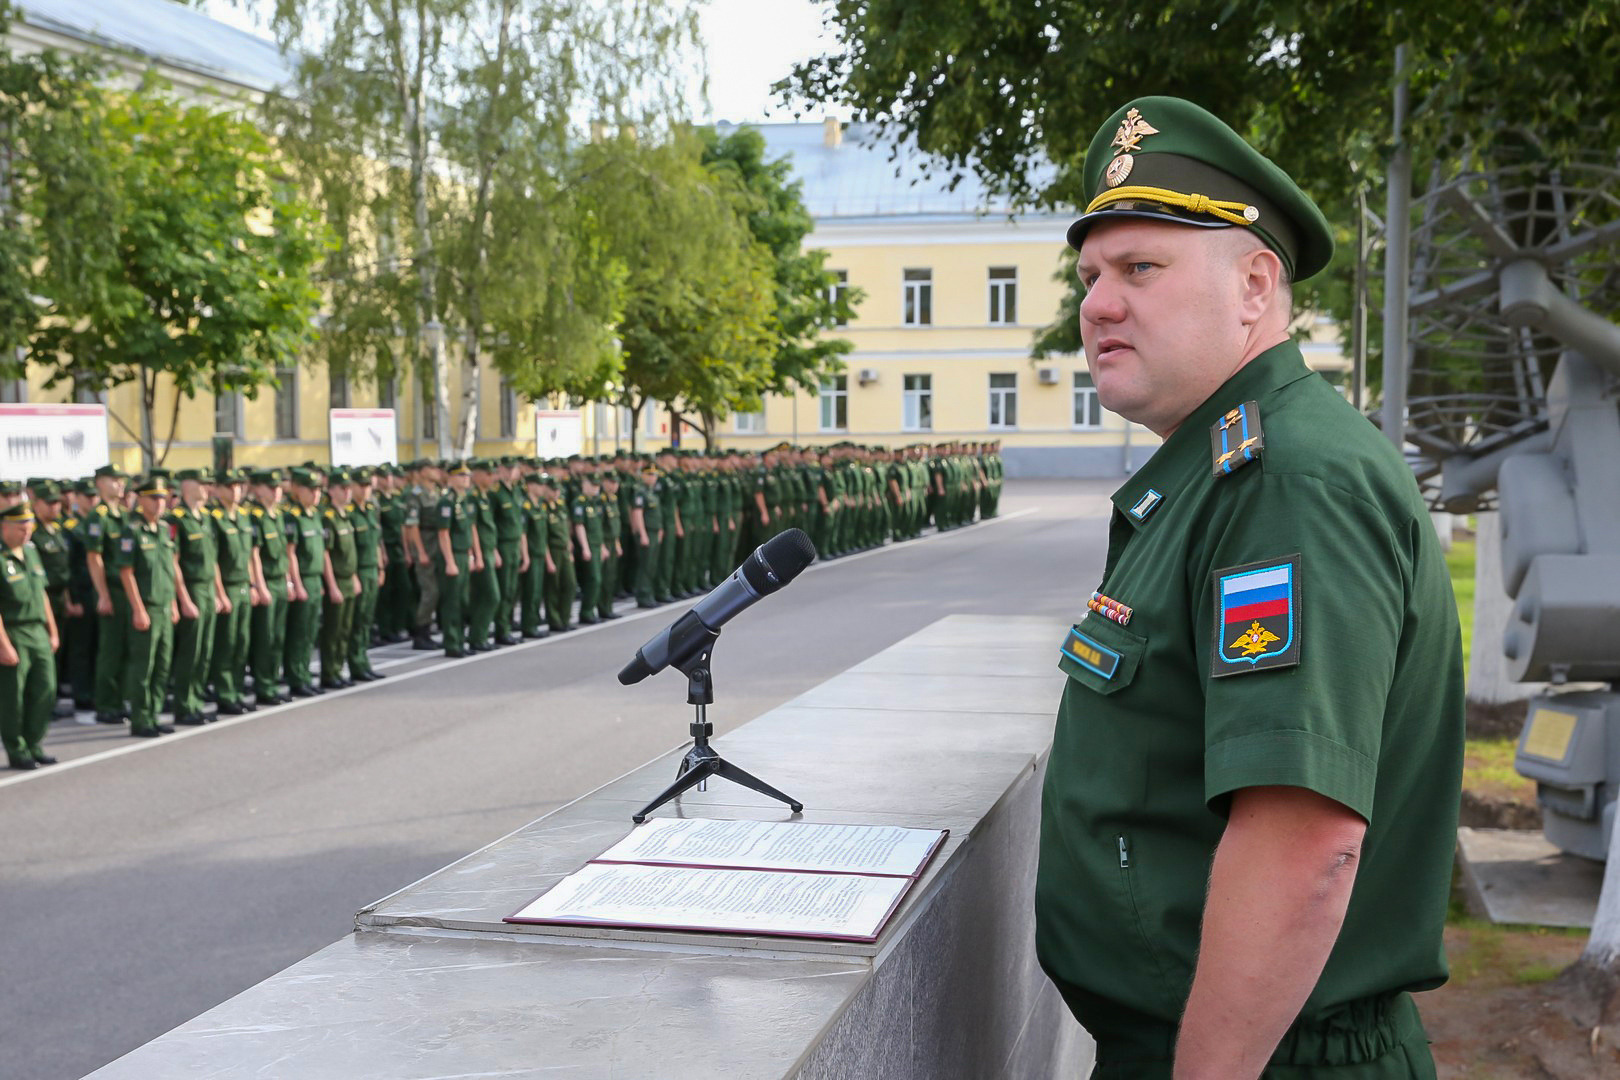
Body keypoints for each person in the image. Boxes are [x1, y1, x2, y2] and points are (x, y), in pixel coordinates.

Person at [1034, 97, 1464, 1079]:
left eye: (1141, 267)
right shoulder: (1219, 471)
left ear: (1255, 286)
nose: (1098, 304)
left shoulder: (1286, 478)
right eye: (1092, 275)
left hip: (1268, 1058)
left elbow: (1302, 840)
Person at [116, 475, 195, 738]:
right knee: (143, 667)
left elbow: (169, 569)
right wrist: (138, 608)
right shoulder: (132, 531)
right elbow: (126, 573)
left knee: (162, 665)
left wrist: (173, 603)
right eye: (154, 498)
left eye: (162, 498)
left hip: (163, 605)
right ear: (141, 499)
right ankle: (140, 718)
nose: (159, 503)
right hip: (146, 607)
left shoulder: (164, 529)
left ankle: (154, 713)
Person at [1, 500, 61, 768]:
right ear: (4, 527)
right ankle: (17, 749)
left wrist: (53, 630)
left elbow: (42, 593)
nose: (26, 532)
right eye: (20, 527)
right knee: (14, 696)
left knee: (44, 689)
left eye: (29, 526)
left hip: (38, 631)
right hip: (13, 632)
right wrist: (3, 645)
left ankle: (34, 742)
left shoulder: (32, 552)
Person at [168, 468, 223, 726]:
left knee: (205, 651)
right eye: (202, 484)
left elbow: (213, 561)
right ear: (187, 486)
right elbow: (173, 562)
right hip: (192, 588)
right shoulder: (176, 519)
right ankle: (184, 705)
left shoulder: (206, 518)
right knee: (190, 651)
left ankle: (197, 701)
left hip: (208, 588)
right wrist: (184, 599)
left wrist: (219, 593)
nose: (207, 488)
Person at [210, 469, 257, 713]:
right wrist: (220, 593)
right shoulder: (215, 518)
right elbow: (214, 561)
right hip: (227, 586)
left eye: (239, 485)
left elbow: (249, 555)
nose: (235, 490)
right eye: (229, 486)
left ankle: (237, 690)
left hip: (242, 586)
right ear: (218, 489)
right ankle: (225, 693)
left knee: (241, 642)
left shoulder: (243, 516)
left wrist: (253, 585)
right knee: (226, 644)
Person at [247, 469, 294, 707]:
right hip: (266, 581)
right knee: (265, 638)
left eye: (278, 488)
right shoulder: (255, 517)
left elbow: (285, 552)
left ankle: (273, 682)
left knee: (278, 636)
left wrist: (288, 580)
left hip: (279, 581)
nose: (276, 492)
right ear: (259, 489)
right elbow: (253, 555)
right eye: (271, 487)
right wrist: (259, 586)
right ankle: (264, 686)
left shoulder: (279, 516)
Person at [282, 467, 327, 698]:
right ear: (298, 490)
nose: (316, 494)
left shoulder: (315, 515)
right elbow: (290, 554)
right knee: (299, 632)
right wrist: (296, 584)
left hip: (314, 577)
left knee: (310, 632)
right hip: (303, 579)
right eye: (311, 489)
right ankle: (296, 677)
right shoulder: (292, 516)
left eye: (318, 489)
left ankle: (305, 673)